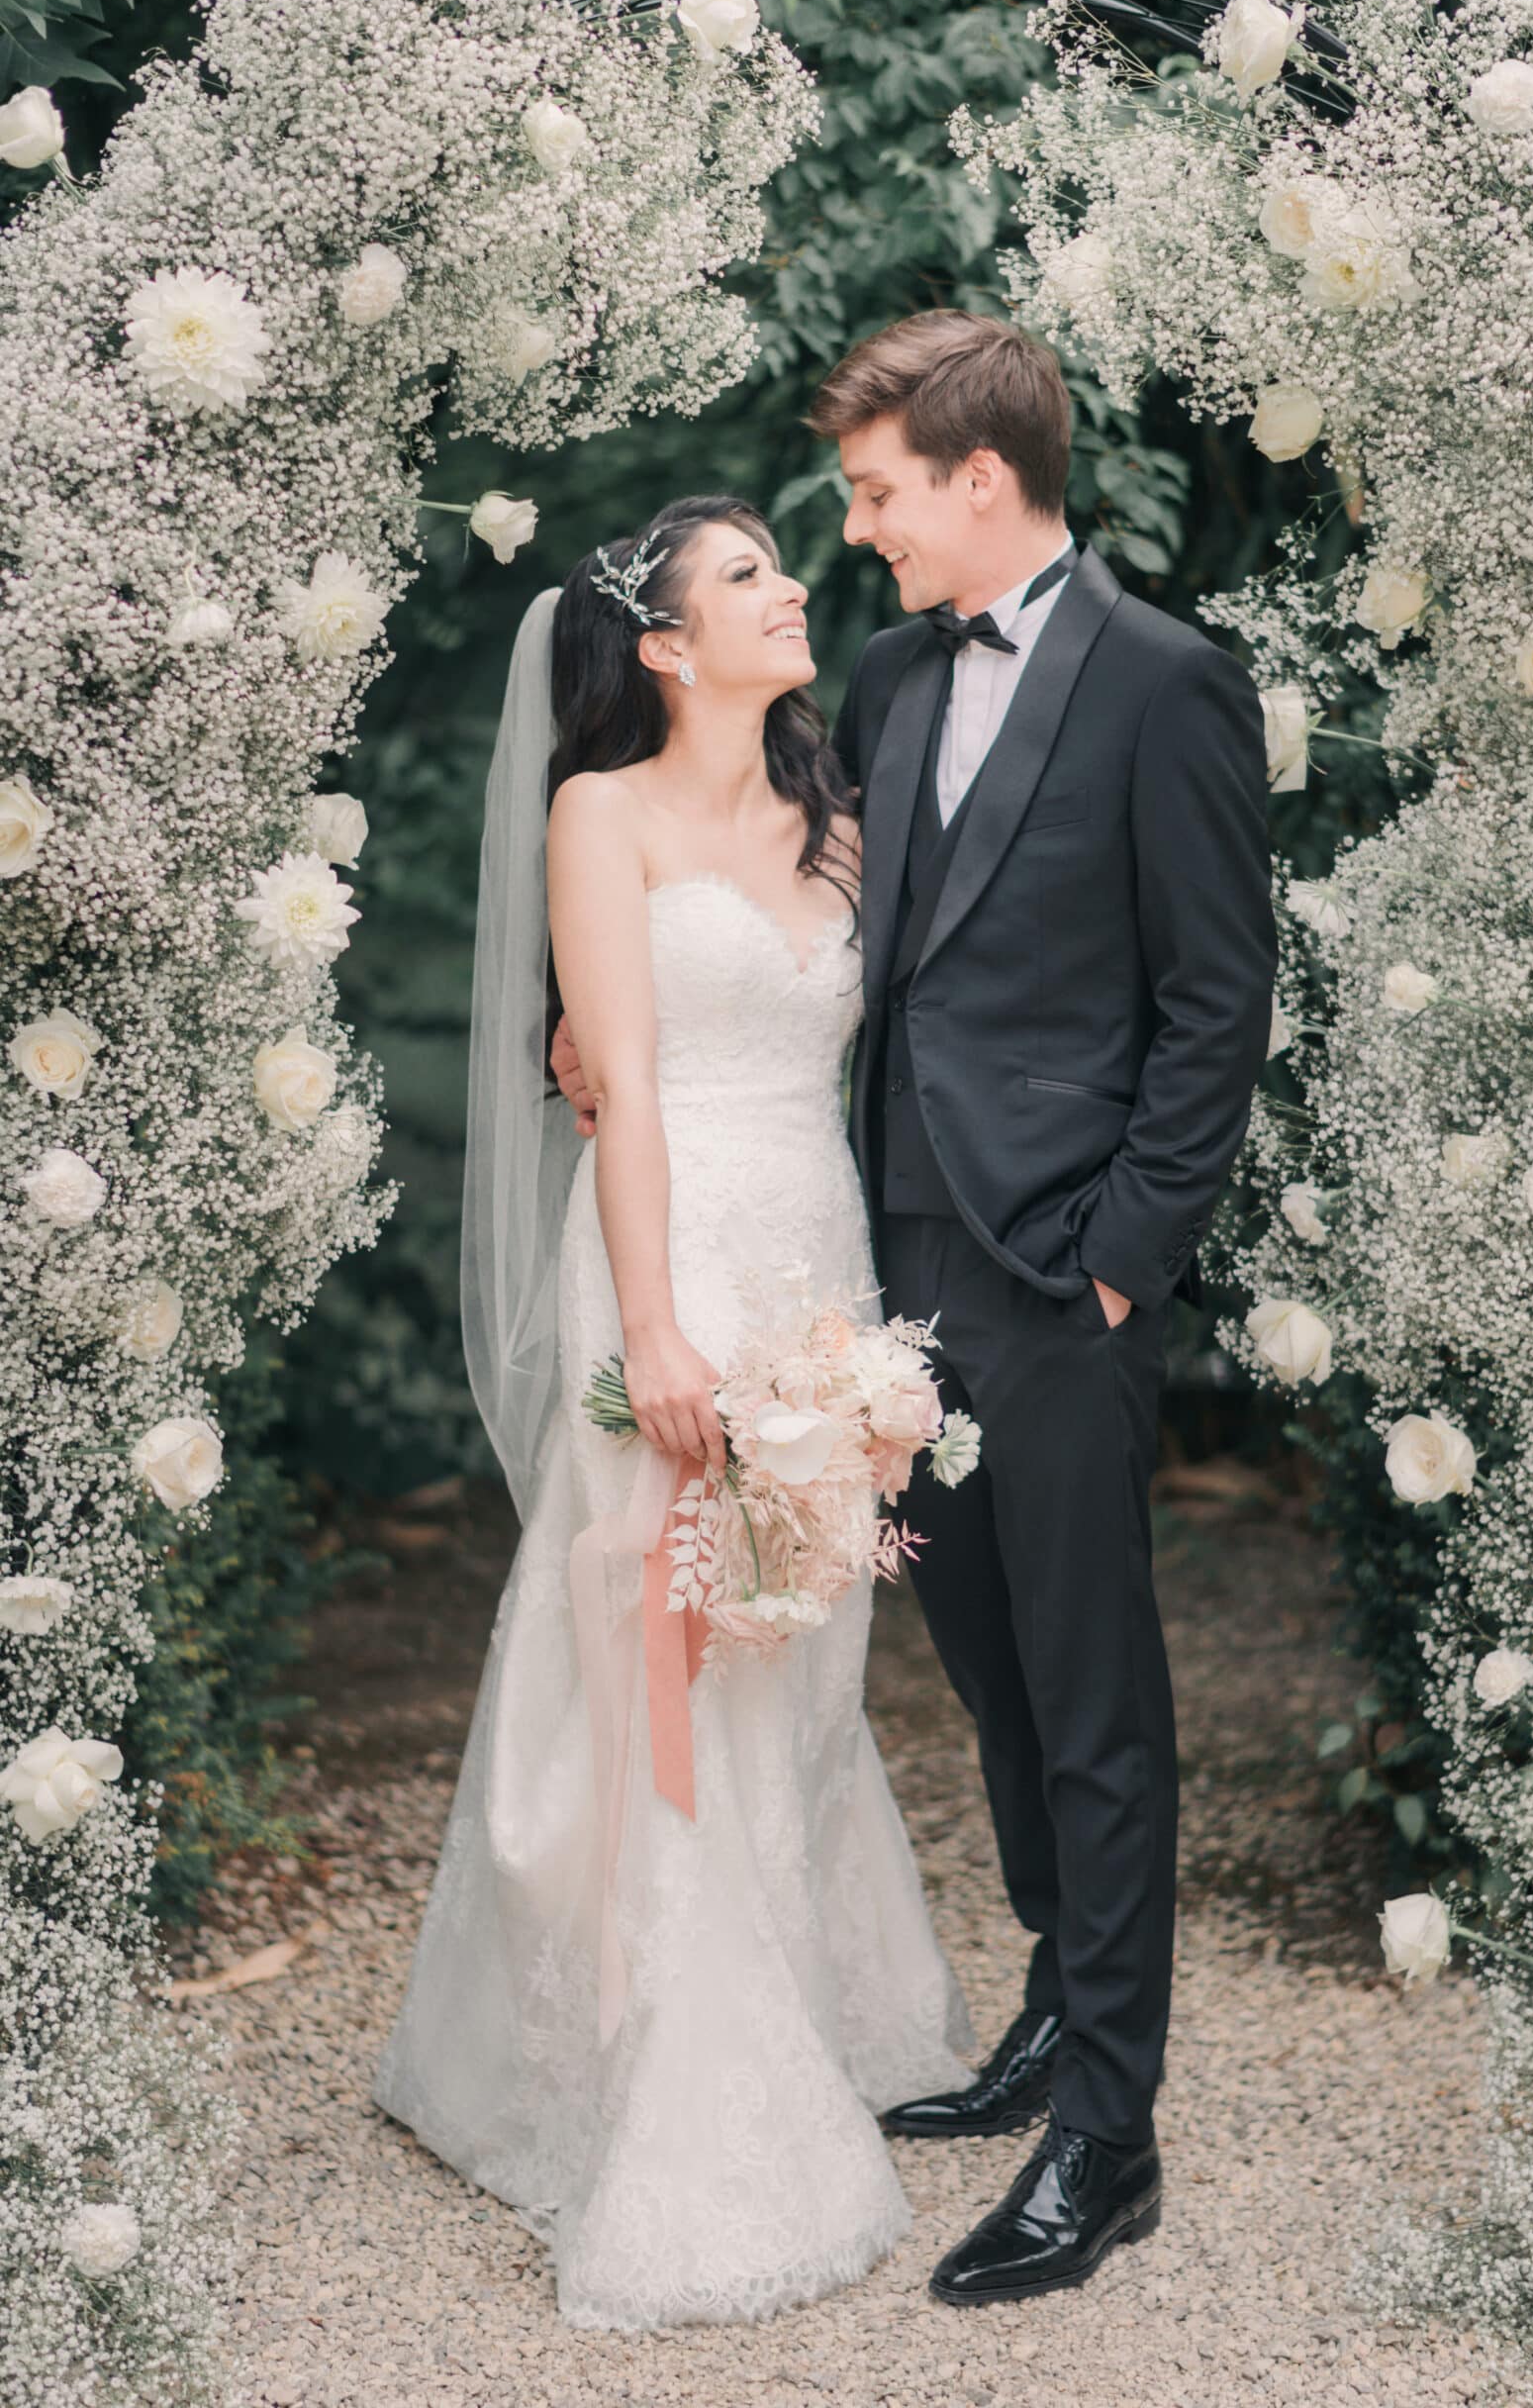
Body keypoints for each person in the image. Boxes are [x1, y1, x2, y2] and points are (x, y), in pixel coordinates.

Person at [559, 313, 1277, 2306]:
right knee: (984, 1662)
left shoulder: (1165, 682)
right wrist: (600, 1016)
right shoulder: (877, 674)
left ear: (979, 479)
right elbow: (805, 912)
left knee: (1096, 1684)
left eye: (874, 491)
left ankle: (1107, 2133)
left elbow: (1216, 1001)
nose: (853, 528)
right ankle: (1060, 1995)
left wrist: (1126, 1246)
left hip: (1060, 1271)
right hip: (876, 1270)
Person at [372, 495, 973, 2332]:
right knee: (664, 1636)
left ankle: (799, 1992)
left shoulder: (846, 819)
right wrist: (652, 1337)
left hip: (822, 1265)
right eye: (748, 576)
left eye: (786, 566)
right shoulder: (599, 814)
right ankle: (673, 2063)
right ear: (658, 645)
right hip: (670, 1258)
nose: (794, 589)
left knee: (803, 1630)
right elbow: (617, 1086)